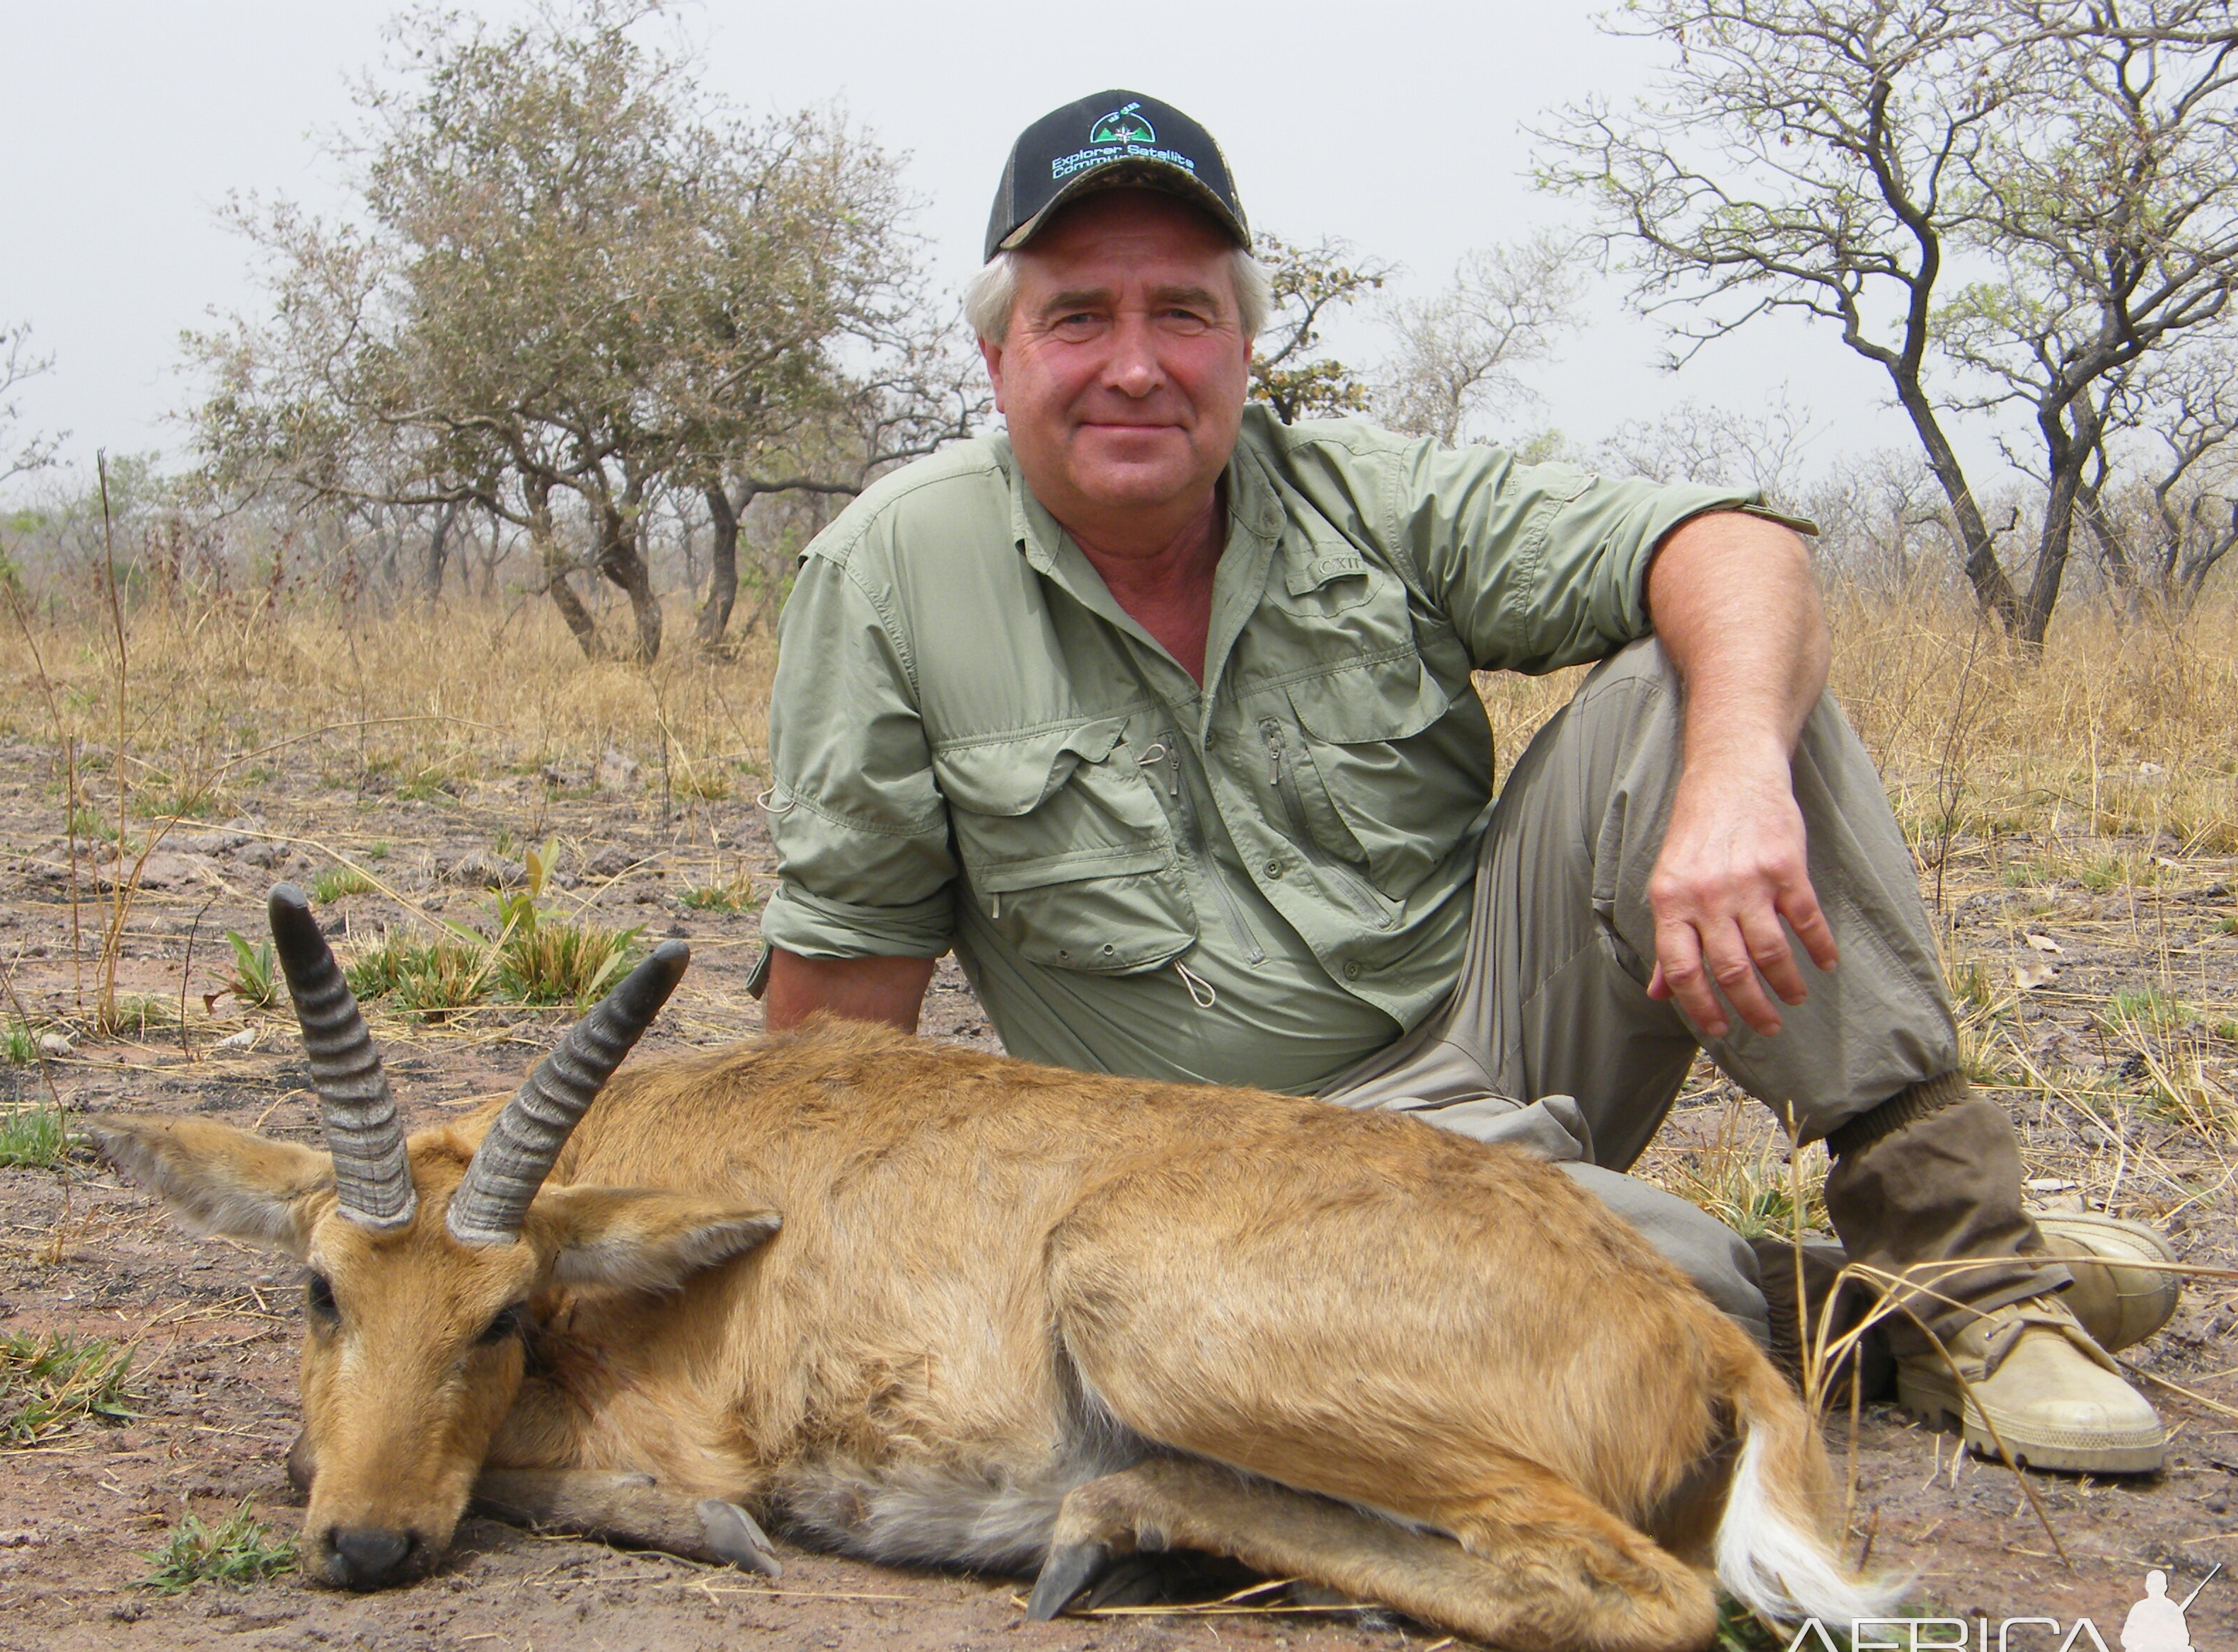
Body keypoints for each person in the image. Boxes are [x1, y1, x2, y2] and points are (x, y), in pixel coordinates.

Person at [752, 89, 2176, 1474]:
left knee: (1696, 683)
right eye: (1078, 317)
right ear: (999, 358)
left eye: (1181, 312)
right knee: (1617, 1288)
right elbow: (838, 1034)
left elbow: (1737, 549)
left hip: (1499, 1026)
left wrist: (1734, 779)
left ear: (1245, 346)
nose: (1136, 364)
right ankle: (1842, 1315)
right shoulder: (887, 576)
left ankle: (1969, 1268)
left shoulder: (1362, 493)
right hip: (1232, 1178)